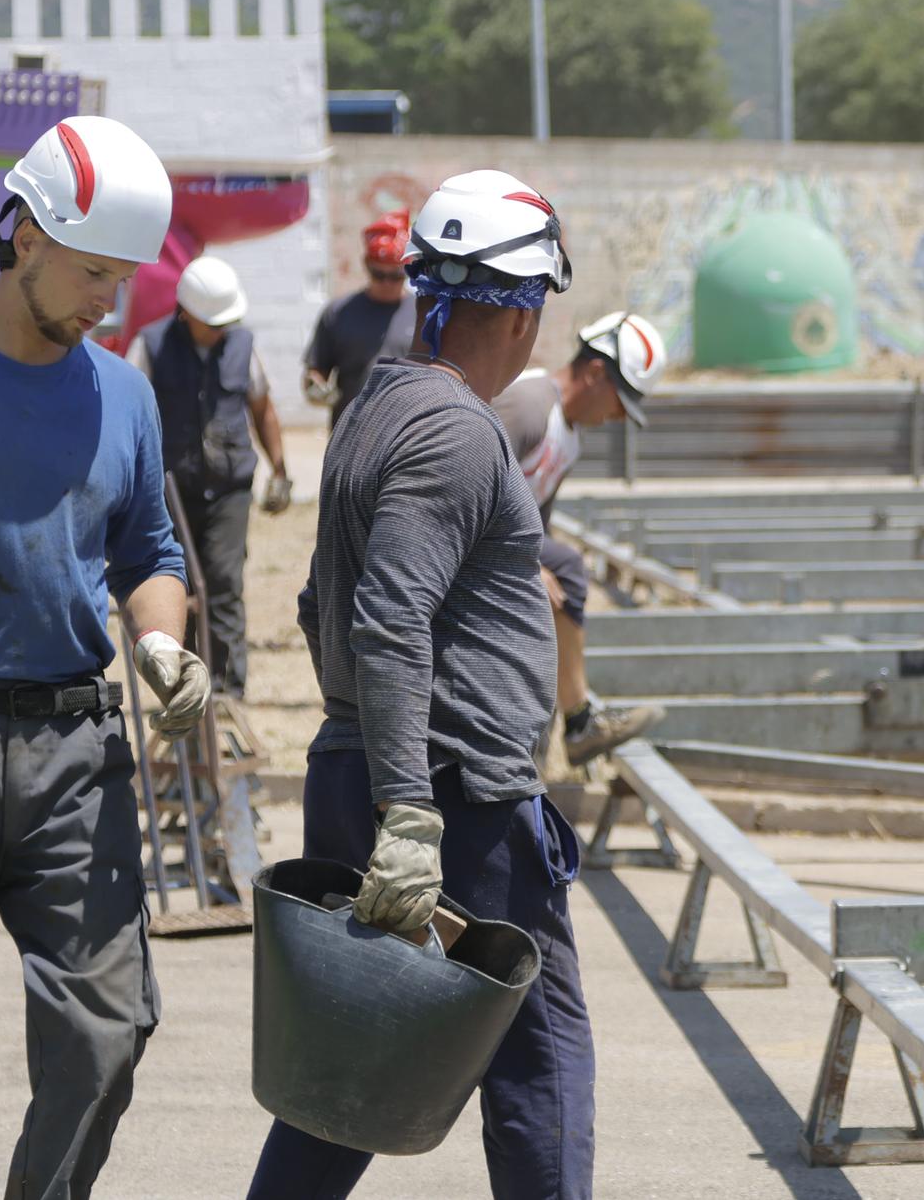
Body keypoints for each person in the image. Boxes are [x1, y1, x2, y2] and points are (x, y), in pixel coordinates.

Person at [248, 170, 594, 1199]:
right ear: (522, 306)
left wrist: (364, 752)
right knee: (539, 1054)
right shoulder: (453, 430)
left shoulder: (374, 404)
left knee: (360, 1062)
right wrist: (409, 811)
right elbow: (390, 618)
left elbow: (322, 603)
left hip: (378, 769)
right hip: (454, 803)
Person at [0, 116, 211, 1198]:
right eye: (94, 272)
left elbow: (149, 550)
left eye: (125, 277)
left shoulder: (126, 394)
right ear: (26, 236)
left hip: (71, 752)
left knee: (106, 1031)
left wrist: (159, 640)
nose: (112, 299)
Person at [492, 312, 669, 764]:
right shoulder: (529, 409)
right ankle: (578, 722)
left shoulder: (568, 442)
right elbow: (464, 489)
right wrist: (527, 566)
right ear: (594, 373)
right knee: (565, 568)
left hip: (497, 554)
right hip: (465, 550)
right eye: (618, 403)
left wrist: (532, 562)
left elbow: (535, 524)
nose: (614, 419)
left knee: (561, 571)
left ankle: (569, 724)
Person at [126, 254, 294, 698]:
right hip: (169, 491)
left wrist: (280, 469)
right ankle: (183, 689)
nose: (221, 330)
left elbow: (263, 407)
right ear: (187, 312)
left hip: (228, 491)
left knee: (223, 585)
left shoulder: (242, 345)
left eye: (226, 322)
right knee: (175, 586)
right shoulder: (151, 345)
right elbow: (126, 416)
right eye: (212, 322)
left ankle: (226, 693)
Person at [300, 209, 417, 428]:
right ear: (366, 265)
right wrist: (315, 386)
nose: (386, 284)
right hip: (350, 431)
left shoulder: (424, 314)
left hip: (406, 432)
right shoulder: (339, 312)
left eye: (395, 276)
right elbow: (317, 369)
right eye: (378, 275)